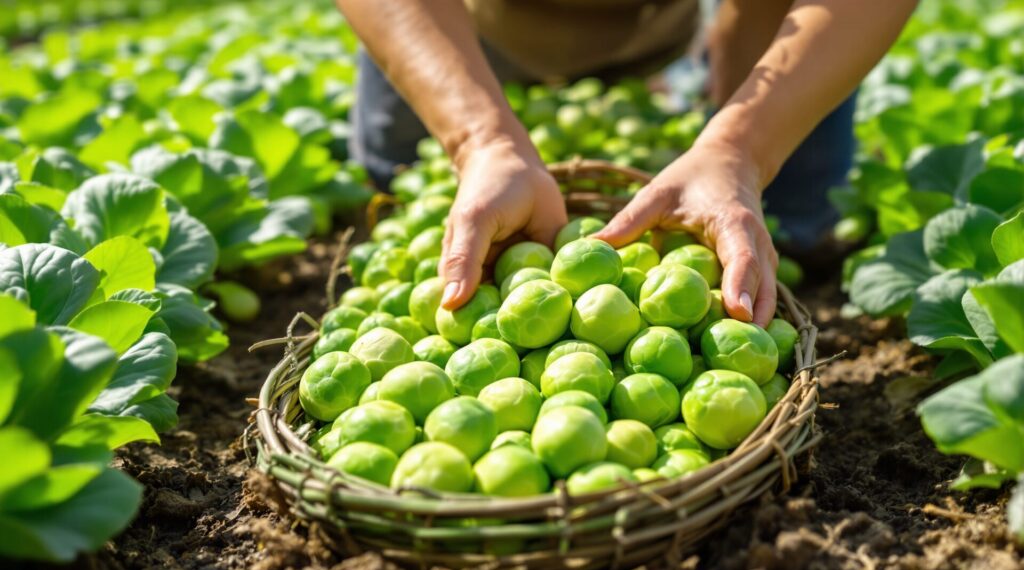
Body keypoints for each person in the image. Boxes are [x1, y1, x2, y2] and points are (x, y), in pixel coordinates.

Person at [336, 0, 917, 326]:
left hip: (671, 17)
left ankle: (701, 87)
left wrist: (740, 149)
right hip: (467, 19)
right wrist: (479, 138)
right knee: (399, 175)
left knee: (793, 221)